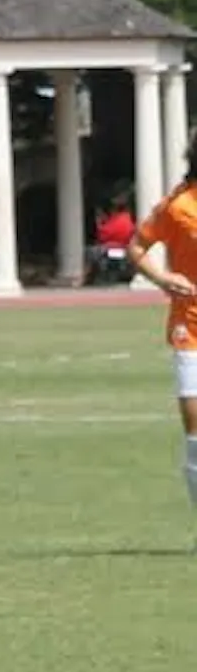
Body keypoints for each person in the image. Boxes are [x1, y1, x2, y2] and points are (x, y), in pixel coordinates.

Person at [127, 130, 197, 528]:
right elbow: (138, 246)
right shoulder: (178, 206)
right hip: (191, 329)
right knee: (195, 437)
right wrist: (164, 277)